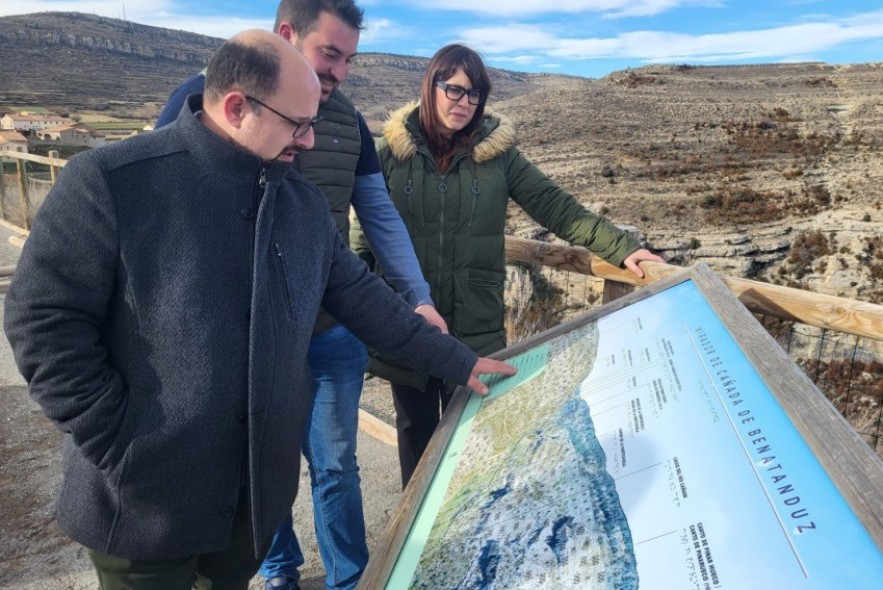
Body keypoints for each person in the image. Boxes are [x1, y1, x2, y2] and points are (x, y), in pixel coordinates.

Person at [3, 30, 515, 590]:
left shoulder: (301, 204)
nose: (311, 139)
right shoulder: (110, 181)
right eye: (298, 123)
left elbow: (366, 299)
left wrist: (457, 361)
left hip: (249, 514)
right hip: (142, 510)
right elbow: (42, 320)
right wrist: (116, 439)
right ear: (236, 107)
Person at [156, 3, 448, 590]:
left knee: (337, 466)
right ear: (287, 35)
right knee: (260, 465)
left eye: (349, 59)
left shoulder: (349, 122)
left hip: (328, 329)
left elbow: (380, 217)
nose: (340, 71)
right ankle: (278, 572)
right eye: (330, 53)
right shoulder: (205, 99)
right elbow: (162, 209)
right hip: (243, 335)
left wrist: (417, 297)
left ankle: (351, 580)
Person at [352, 43, 665, 489]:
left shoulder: (498, 157)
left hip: (474, 323)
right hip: (410, 324)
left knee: (475, 442)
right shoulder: (389, 154)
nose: (465, 103)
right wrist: (359, 315)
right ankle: (414, 549)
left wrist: (620, 246)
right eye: (455, 90)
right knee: (415, 436)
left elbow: (556, 207)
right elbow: (364, 233)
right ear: (431, 86)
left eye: (475, 94)